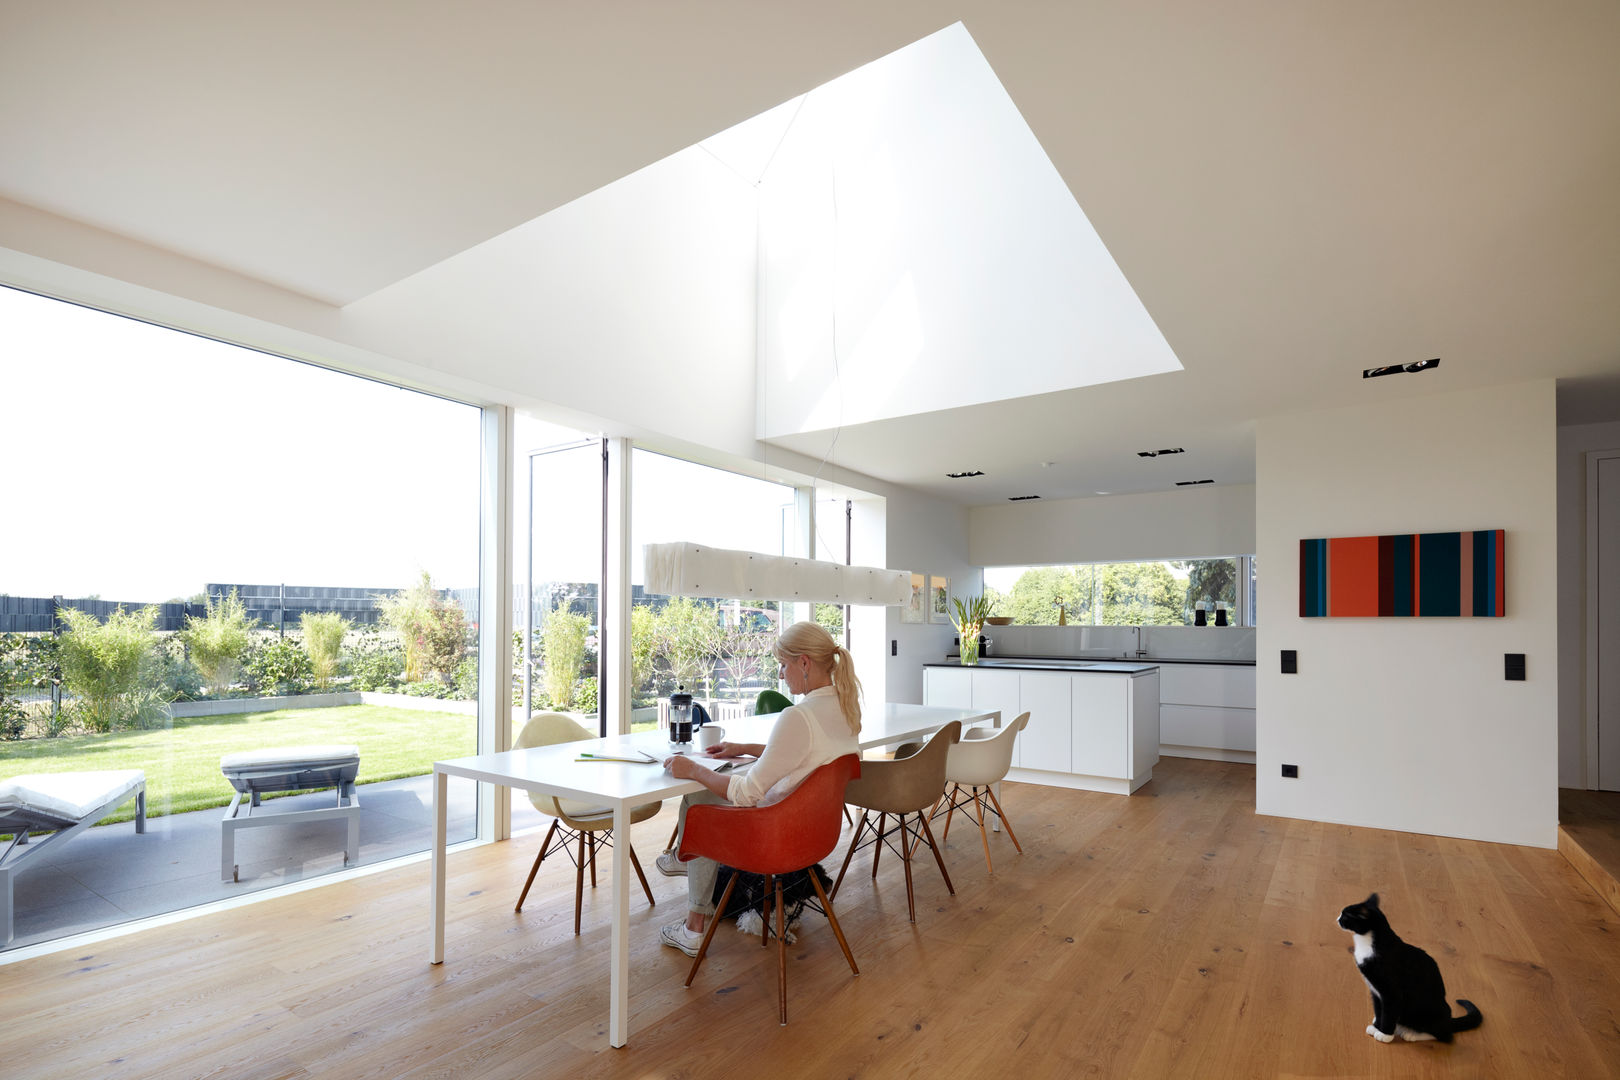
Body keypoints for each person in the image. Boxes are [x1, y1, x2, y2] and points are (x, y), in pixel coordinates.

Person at [656, 620, 862, 956]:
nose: (781, 674)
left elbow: (746, 794)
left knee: (698, 795)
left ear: (804, 663)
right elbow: (810, 756)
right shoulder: (845, 707)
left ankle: (692, 913)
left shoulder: (799, 716)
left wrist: (691, 767)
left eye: (784, 664)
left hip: (773, 836)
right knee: (721, 782)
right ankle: (687, 856)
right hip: (815, 833)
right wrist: (748, 748)